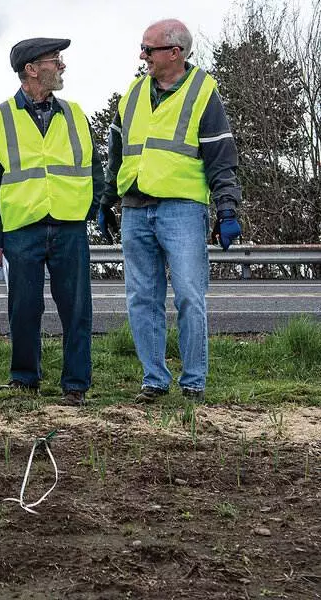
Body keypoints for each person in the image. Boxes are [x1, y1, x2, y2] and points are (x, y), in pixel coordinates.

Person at [99, 19, 242, 402]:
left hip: (182, 209)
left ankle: (193, 382)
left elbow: (221, 158)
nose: (141, 55)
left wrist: (226, 209)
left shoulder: (203, 92)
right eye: (142, 48)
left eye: (149, 49)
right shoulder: (131, 94)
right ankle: (154, 380)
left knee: (190, 297)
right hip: (134, 209)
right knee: (141, 298)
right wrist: (107, 199)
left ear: (175, 52)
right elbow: (116, 154)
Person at [0, 38, 104, 406]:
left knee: (77, 309)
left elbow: (95, 169)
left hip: (69, 227)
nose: (61, 65)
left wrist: (87, 208)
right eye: (55, 60)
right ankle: (24, 379)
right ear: (32, 69)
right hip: (21, 228)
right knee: (24, 308)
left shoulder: (76, 114)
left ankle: (76, 385)